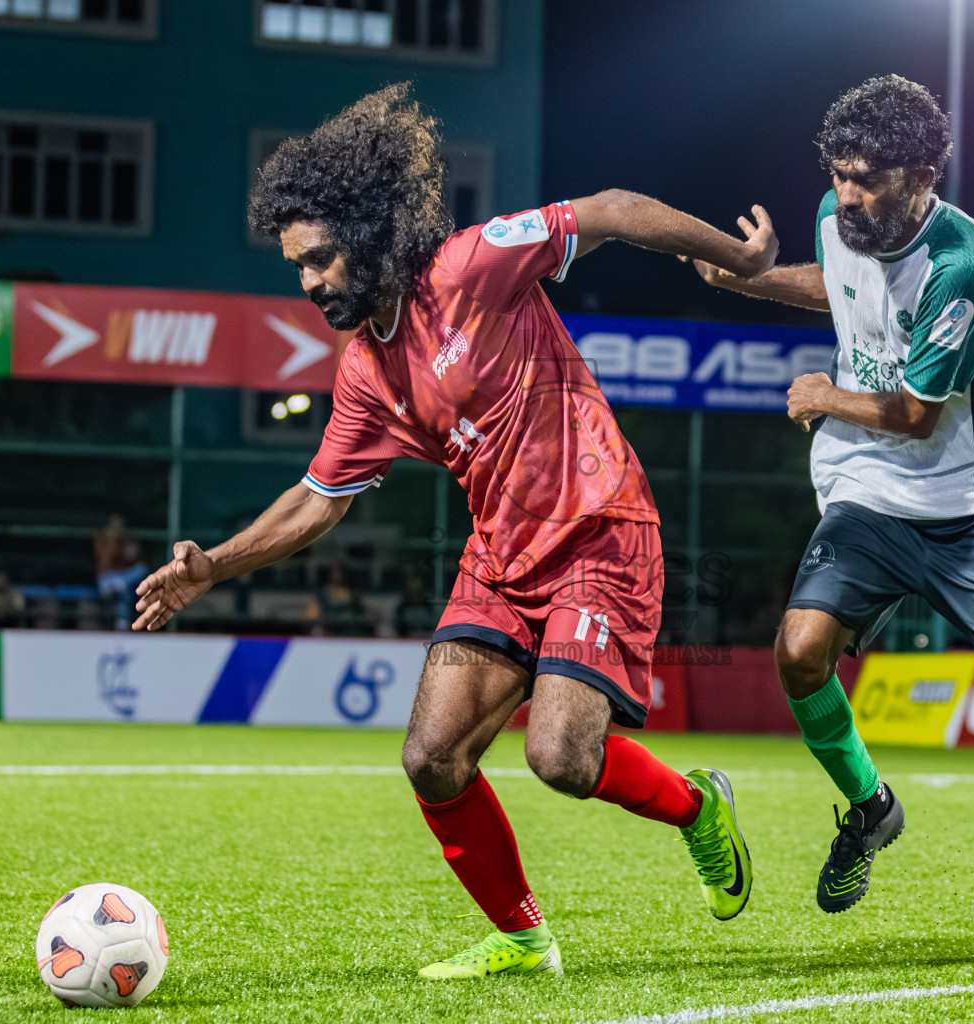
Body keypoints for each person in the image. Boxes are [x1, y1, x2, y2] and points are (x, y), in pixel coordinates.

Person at [133, 85, 769, 979]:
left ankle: (698, 811)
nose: (310, 282)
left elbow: (615, 212)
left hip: (600, 537)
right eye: (296, 268)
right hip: (501, 563)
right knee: (433, 758)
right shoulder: (364, 373)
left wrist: (736, 259)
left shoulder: (472, 266)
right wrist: (215, 567)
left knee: (559, 756)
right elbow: (319, 497)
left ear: (369, 233)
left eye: (320, 259)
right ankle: (521, 938)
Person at [691, 75, 974, 966]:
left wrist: (824, 393)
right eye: (839, 174)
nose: (847, 193)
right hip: (873, 487)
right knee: (797, 652)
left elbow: (915, 413)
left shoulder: (962, 266)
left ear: (921, 174)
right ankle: (870, 807)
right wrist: (744, 281)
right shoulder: (839, 217)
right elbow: (838, 287)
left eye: (866, 179)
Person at [93, 514, 147, 631]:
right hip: (108, 578)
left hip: (125, 577)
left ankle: (122, 623)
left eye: (120, 524)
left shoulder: (128, 537)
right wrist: (114, 540)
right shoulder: (103, 537)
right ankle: (122, 623)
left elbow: (133, 559)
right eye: (115, 524)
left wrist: (127, 542)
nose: (117, 527)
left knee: (140, 570)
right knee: (124, 590)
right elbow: (106, 562)